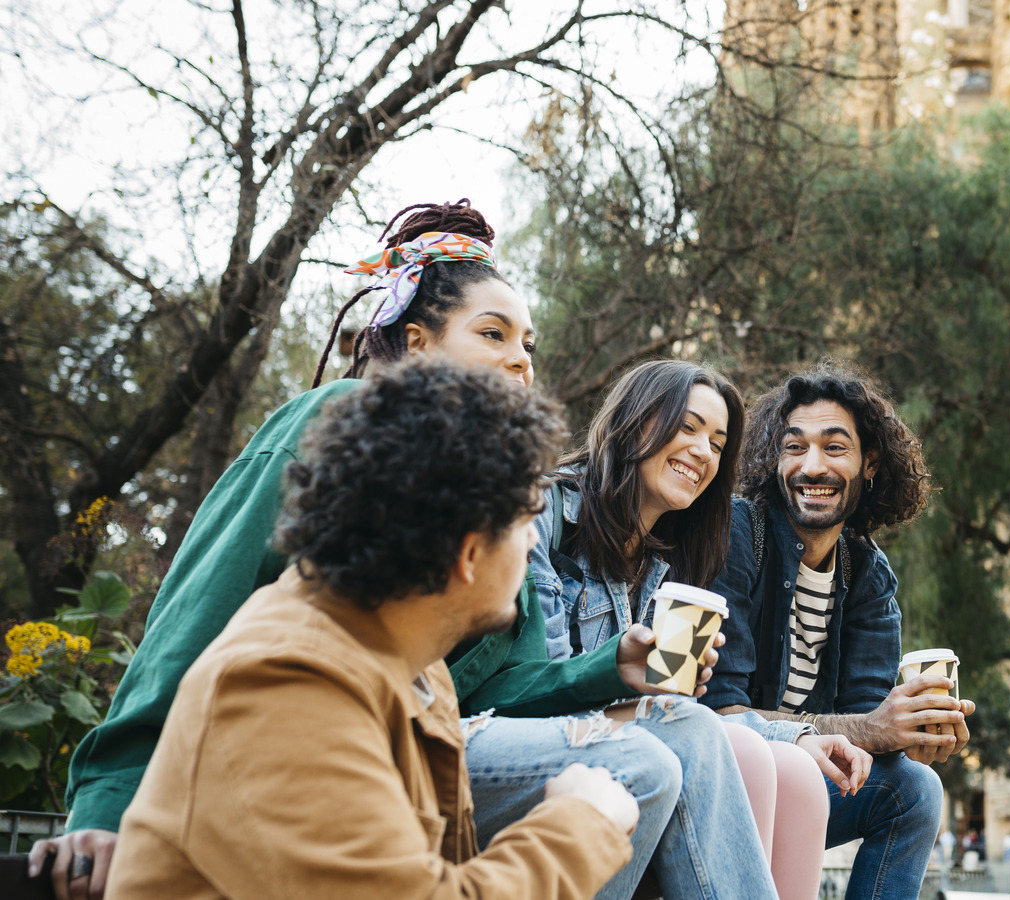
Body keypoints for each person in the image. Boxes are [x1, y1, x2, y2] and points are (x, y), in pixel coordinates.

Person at [40, 200, 770, 900]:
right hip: (323, 756)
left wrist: (609, 668)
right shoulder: (334, 436)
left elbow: (499, 694)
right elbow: (195, 619)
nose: (521, 363)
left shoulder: (467, 538)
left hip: (430, 745)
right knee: (637, 763)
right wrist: (108, 804)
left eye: (529, 346)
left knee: (686, 730)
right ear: (416, 342)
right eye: (493, 335)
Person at [105, 361, 638, 896]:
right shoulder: (287, 682)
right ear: (469, 553)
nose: (530, 545)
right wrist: (578, 824)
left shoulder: (414, 668)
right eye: (526, 521)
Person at [521, 358, 870, 900]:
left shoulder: (675, 557)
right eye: (687, 427)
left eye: (717, 441)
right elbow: (542, 684)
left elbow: (695, 709)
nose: (703, 451)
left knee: (798, 775)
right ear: (635, 423)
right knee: (744, 752)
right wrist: (637, 682)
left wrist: (798, 734)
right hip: (547, 735)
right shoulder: (547, 513)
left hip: (641, 730)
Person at [705, 362, 976, 900]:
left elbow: (869, 726)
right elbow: (721, 713)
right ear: (774, 459)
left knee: (915, 789)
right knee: (775, 758)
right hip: (729, 778)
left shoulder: (868, 576)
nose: (812, 466)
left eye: (834, 448)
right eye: (794, 447)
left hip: (807, 784)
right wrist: (872, 728)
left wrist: (914, 735)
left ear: (868, 463)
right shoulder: (737, 534)